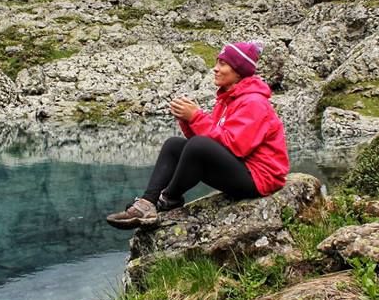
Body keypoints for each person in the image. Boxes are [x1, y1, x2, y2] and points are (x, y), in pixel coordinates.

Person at [106, 41, 290, 230]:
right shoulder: (227, 99)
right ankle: (147, 202)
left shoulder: (254, 102)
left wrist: (196, 117)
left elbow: (235, 147)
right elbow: (211, 139)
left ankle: (169, 199)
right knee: (174, 145)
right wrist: (187, 119)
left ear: (238, 71)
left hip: (260, 178)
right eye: (217, 62)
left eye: (222, 64)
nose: (215, 69)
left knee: (198, 146)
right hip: (243, 169)